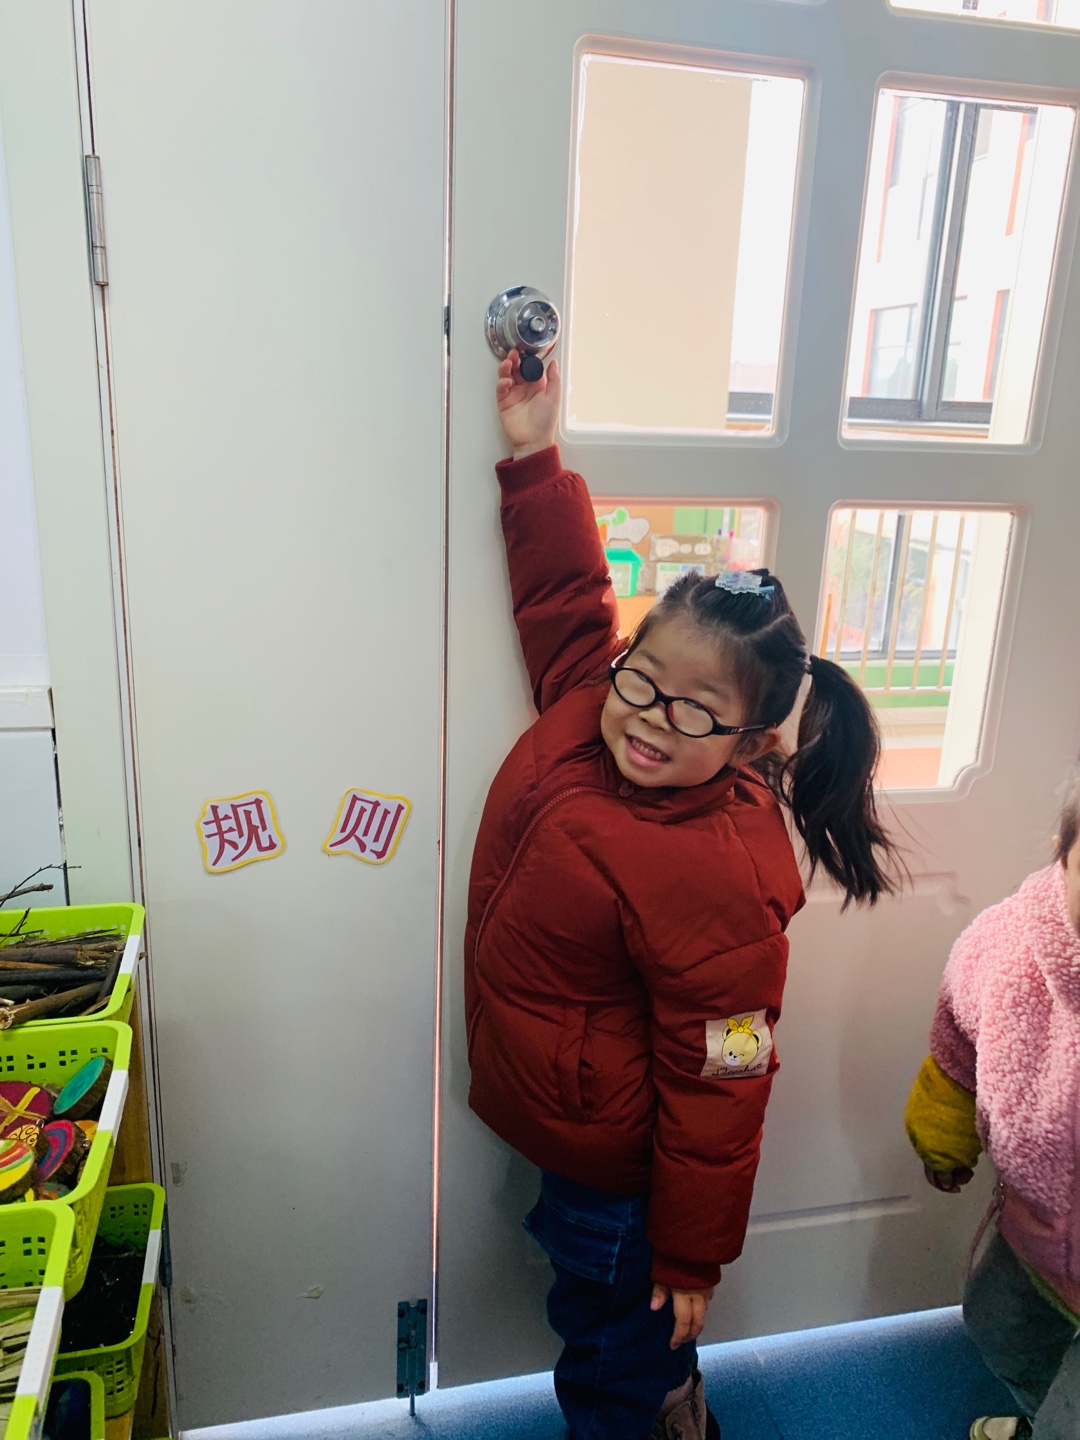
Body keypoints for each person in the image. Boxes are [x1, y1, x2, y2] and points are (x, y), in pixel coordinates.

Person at [466, 352, 900, 1440]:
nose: (653, 719)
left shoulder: (717, 871)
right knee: (607, 1324)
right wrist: (534, 456)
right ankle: (673, 1400)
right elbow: (568, 604)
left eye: (697, 711)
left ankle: (655, 1409)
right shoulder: (593, 700)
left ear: (751, 744)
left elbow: (727, 1078)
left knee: (608, 1350)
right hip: (575, 1128)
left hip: (629, 1178)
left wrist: (692, 1251)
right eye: (646, 680)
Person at [905, 763, 1080, 1440]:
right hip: (1036, 1231)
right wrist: (943, 1137)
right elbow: (956, 1045)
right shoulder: (1006, 946)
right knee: (998, 1327)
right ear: (1063, 852)